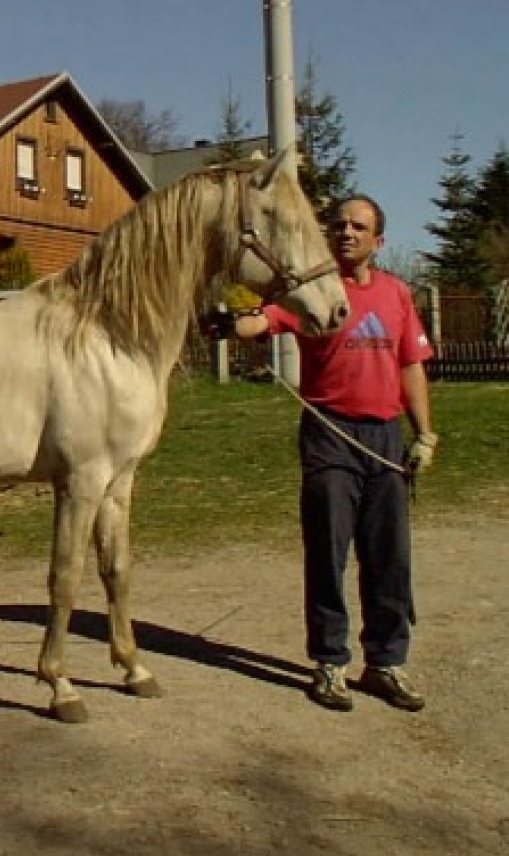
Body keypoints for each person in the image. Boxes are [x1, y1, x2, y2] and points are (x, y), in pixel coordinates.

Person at [203, 194, 437, 712]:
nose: (347, 232)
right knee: (329, 554)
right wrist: (227, 324)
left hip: (385, 441)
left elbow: (411, 366)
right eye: (339, 225)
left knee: (389, 558)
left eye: (359, 226)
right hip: (330, 435)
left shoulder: (397, 295)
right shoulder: (312, 292)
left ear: (379, 241)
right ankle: (330, 663)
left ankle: (385, 664)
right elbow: (263, 322)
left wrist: (424, 435)